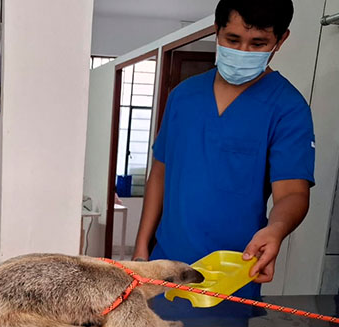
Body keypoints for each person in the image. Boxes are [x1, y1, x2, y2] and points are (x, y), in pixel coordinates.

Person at [133, 0, 315, 299]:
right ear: (216, 31)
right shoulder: (183, 96)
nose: (242, 52)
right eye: (232, 40)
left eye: (258, 43)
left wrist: (276, 229)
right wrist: (141, 249)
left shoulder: (288, 108)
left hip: (232, 271)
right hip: (164, 264)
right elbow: (160, 172)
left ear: (280, 40)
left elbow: (293, 193)